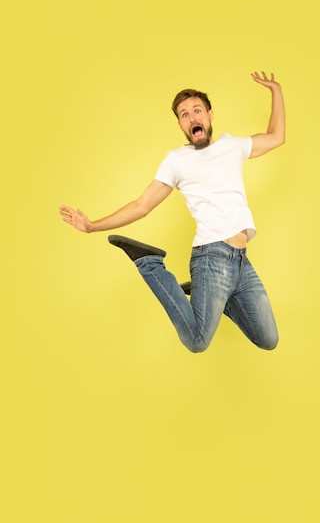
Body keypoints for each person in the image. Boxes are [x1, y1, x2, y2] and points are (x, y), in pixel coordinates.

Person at [60, 71, 286, 352]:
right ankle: (149, 262)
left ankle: (212, 296)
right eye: (184, 115)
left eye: (197, 111)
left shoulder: (232, 146)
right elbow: (142, 205)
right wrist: (92, 225)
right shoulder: (177, 161)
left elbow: (276, 137)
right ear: (180, 124)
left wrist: (276, 90)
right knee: (196, 342)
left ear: (210, 115)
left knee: (268, 339)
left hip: (241, 261)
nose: (192, 118)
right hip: (211, 257)